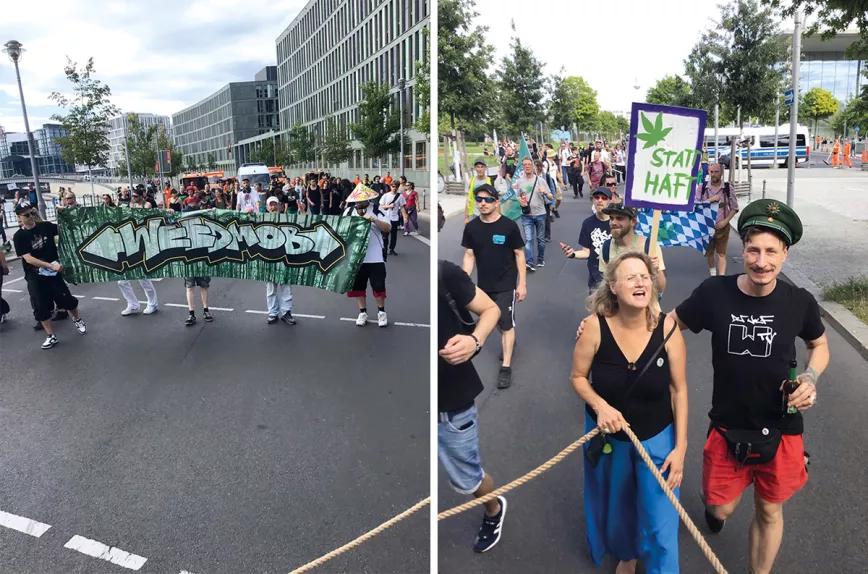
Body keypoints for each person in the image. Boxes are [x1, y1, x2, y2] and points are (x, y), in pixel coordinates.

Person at [671, 199, 829, 574]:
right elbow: (669, 324)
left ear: (785, 254)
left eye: (771, 251)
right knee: (718, 506)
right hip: (727, 425)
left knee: (769, 508)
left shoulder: (799, 302)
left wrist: (810, 377)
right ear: (742, 248)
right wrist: (608, 326)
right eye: (754, 250)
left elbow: (818, 345)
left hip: (781, 427)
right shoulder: (714, 293)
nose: (761, 261)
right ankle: (718, 507)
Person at [570, 251, 688, 574]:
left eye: (645, 276)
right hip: (611, 438)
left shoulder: (669, 330)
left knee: (661, 524)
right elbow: (578, 378)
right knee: (619, 510)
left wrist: (681, 449)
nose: (640, 282)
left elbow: (679, 390)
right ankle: (627, 555)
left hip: (658, 438)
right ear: (613, 287)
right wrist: (600, 405)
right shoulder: (594, 328)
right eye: (631, 277)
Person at [438, 258, 507, 553]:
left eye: (488, 204)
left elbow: (492, 309)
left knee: (467, 480)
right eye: (480, 204)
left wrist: (475, 341)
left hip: (450, 405)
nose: (484, 206)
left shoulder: (444, 272)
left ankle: (493, 508)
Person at [461, 184, 527, 389]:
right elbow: (469, 254)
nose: (483, 203)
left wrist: (522, 284)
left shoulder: (508, 226)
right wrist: (463, 280)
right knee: (496, 322)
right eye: (479, 199)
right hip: (484, 286)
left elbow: (519, 254)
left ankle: (506, 367)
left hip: (506, 284)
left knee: (505, 322)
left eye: (488, 200)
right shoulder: (472, 227)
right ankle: (510, 337)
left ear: (497, 202)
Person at [13, 204, 88, 349]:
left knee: (66, 299)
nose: (30, 216)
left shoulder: (45, 226)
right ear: (19, 218)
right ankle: (51, 335)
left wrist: (64, 213)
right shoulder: (19, 236)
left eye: (31, 213)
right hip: (35, 275)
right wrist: (50, 265)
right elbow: (28, 258)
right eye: (26, 215)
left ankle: (77, 319)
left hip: (54, 274)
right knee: (40, 305)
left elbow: (66, 228)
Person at [344, 185, 391, 327]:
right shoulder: (349, 211)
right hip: (356, 257)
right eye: (357, 200)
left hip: (375, 256)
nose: (359, 202)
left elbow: (388, 228)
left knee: (378, 286)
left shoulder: (377, 209)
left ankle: (381, 313)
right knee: (358, 286)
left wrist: (373, 219)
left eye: (362, 199)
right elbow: (341, 230)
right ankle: (362, 312)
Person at [599, 203, 667, 295]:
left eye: (619, 218)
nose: (613, 222)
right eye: (611, 218)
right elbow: (605, 286)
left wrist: (656, 269)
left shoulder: (649, 246)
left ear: (633, 222)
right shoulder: (606, 247)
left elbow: (660, 287)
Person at [561, 186, 613, 293]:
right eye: (597, 197)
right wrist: (573, 254)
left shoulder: (616, 222)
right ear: (593, 200)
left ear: (609, 201)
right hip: (596, 276)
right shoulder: (588, 223)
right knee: (595, 308)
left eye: (604, 198)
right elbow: (586, 252)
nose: (600, 200)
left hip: (615, 275)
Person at [117, 190, 159, 316]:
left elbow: (146, 218)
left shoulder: (147, 205)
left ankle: (153, 304)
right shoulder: (130, 206)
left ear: (142, 196)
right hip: (129, 243)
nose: (133, 198)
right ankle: (133, 305)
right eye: (132, 196)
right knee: (121, 280)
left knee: (143, 278)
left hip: (142, 243)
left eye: (136, 196)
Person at [513, 157, 553, 271]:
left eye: (529, 164)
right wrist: (519, 200)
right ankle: (529, 262)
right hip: (527, 215)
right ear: (523, 167)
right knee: (529, 239)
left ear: (533, 166)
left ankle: (540, 258)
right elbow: (517, 196)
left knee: (540, 240)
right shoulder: (520, 181)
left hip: (540, 214)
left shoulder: (540, 180)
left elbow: (551, 196)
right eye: (524, 165)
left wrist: (545, 192)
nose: (527, 166)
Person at [699, 163, 739, 276]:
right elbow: (696, 206)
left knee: (721, 253)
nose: (713, 174)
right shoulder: (702, 188)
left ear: (721, 173)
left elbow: (734, 207)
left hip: (722, 227)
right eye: (711, 172)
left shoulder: (727, 188)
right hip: (706, 227)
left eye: (716, 172)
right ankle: (713, 275)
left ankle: (721, 278)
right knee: (709, 253)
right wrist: (710, 200)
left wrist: (725, 222)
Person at [263, 196, 296, 325]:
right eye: (270, 205)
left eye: (275, 205)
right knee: (271, 288)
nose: (273, 207)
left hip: (284, 258)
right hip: (268, 259)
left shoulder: (288, 219)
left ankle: (286, 312)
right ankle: (272, 313)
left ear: (280, 206)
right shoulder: (261, 220)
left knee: (286, 286)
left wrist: (304, 212)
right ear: (267, 207)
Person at [379, 181, 404, 256]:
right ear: (390, 187)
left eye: (396, 186)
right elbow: (381, 206)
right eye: (393, 186)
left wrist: (405, 217)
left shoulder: (400, 196)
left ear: (398, 187)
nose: (394, 188)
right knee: (385, 236)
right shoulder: (385, 196)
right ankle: (385, 249)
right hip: (386, 219)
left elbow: (402, 207)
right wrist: (388, 206)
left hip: (394, 219)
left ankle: (392, 249)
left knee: (394, 236)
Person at [465, 158, 493, 224]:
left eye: (482, 167)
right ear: (475, 168)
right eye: (478, 167)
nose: (480, 169)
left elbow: (495, 200)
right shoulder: (471, 181)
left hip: (487, 214)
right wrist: (466, 217)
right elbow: (468, 200)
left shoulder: (490, 181)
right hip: (475, 214)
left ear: (485, 168)